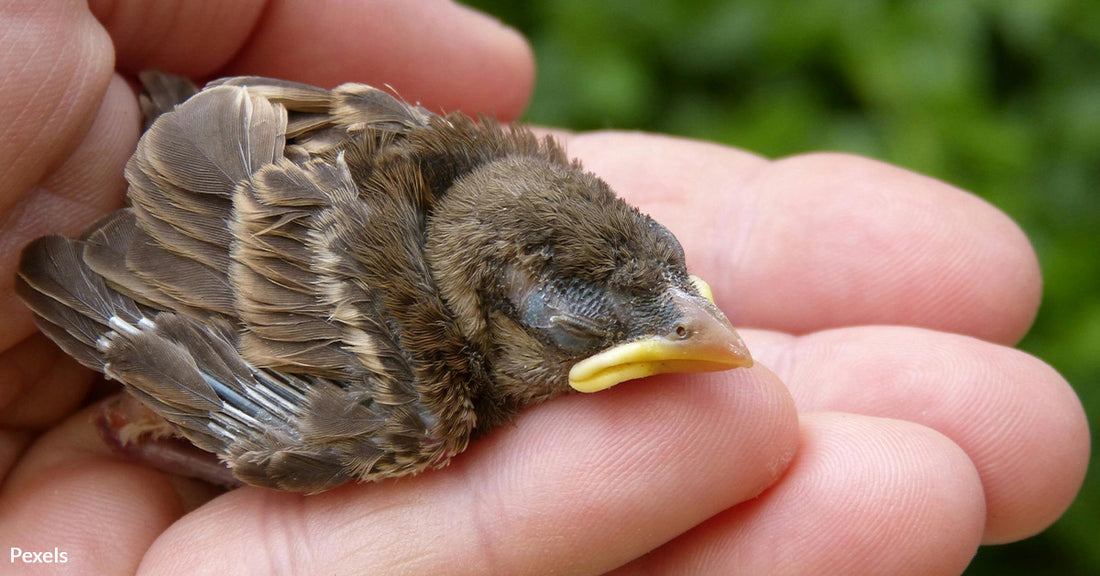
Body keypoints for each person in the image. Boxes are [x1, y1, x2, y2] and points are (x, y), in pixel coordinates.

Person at [0, 1, 1087, 574]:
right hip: (174, 218)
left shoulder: (502, 185)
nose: (692, 319)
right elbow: (206, 361)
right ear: (502, 314)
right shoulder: (417, 391)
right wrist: (176, 408)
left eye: (675, 289)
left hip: (216, 153)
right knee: (345, 430)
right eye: (577, 322)